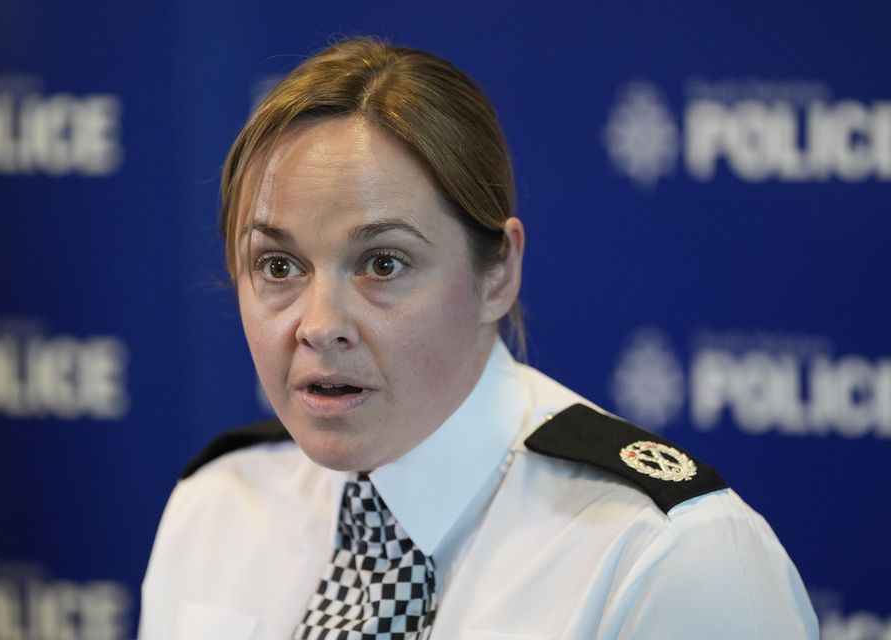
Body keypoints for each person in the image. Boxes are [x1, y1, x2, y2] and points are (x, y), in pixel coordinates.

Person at [139, 38, 818, 639]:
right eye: (279, 267)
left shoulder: (664, 557)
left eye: (383, 264)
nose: (319, 325)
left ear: (498, 272)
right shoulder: (215, 509)